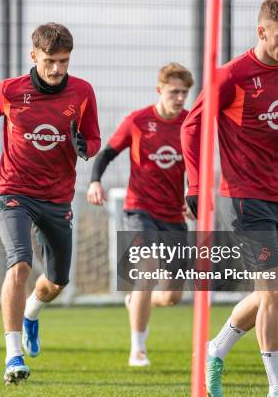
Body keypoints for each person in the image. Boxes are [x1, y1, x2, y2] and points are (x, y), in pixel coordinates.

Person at [181, 0, 278, 397]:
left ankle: (215, 349)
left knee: (269, 292)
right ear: (262, 31)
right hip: (243, 198)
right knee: (276, 289)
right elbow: (192, 128)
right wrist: (194, 185)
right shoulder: (232, 76)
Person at [0, 22, 100, 385]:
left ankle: (32, 312)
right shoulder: (9, 91)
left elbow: (93, 139)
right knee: (20, 266)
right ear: (34, 56)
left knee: (57, 280)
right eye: (50, 61)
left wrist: (85, 148)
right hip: (13, 190)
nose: (57, 69)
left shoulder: (82, 92)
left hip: (58, 197)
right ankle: (13, 354)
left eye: (63, 61)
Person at [87, 63, 195, 367]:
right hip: (139, 209)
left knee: (172, 296)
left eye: (184, 93)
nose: (180, 98)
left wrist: (193, 194)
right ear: (159, 90)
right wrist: (95, 181)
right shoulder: (137, 121)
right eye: (174, 92)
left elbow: (196, 164)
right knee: (146, 270)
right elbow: (106, 153)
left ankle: (136, 299)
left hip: (174, 215)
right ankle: (138, 349)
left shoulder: (190, 124)